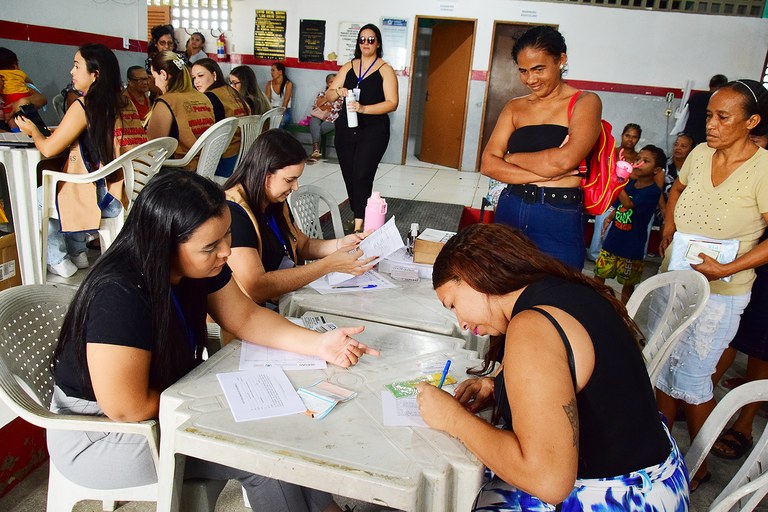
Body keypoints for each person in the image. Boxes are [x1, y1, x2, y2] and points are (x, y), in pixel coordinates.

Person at [47, 168, 378, 511]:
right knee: (263, 458)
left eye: (227, 236)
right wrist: (217, 404)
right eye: (210, 247)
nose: (225, 252)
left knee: (284, 434)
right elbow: (126, 407)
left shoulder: (198, 267)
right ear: (164, 242)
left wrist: (320, 344)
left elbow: (246, 316)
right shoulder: (120, 294)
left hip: (162, 405)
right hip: (102, 434)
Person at [415, 223, 688, 510]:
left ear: (472, 274)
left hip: (619, 497)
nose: (462, 324)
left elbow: (548, 482)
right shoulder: (561, 289)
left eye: (453, 304)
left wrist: (453, 419)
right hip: (660, 479)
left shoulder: (532, 326)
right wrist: (502, 386)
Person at [656, 78, 768, 492]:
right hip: (676, 279)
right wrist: (669, 223)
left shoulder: (763, 169)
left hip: (722, 293)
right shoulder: (701, 154)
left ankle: (697, 464)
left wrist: (730, 268)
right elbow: (679, 187)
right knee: (663, 365)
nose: (711, 125)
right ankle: (662, 447)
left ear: (751, 121)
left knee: (694, 379)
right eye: (709, 116)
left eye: (723, 117)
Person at [16, 43, 147, 278]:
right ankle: (78, 253)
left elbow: (48, 149)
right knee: (73, 180)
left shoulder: (84, 106)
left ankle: (59, 259)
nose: (71, 72)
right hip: (129, 193)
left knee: (38, 197)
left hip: (103, 199)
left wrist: (33, 131)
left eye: (77, 66)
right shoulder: (125, 103)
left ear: (95, 74)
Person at [480, 26, 601, 270]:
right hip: (511, 206)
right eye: (523, 71)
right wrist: (547, 171)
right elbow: (488, 164)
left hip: (557, 214)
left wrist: (511, 158)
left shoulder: (585, 102)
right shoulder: (515, 107)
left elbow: (563, 162)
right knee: (505, 288)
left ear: (561, 60)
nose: (530, 79)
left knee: (557, 291)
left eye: (538, 69)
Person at [223, 129, 375, 308]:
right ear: (264, 174)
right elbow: (257, 287)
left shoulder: (272, 201)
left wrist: (341, 244)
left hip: (280, 300)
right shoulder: (234, 212)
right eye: (289, 180)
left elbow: (302, 245)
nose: (295, 187)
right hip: (251, 312)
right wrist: (328, 265)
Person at [708, 130, 768, 461]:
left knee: (761, 345)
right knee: (729, 335)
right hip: (744, 258)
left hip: (756, 261)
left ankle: (744, 424)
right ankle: (697, 400)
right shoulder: (756, 160)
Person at [325, 24, 399, 233]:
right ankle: (359, 213)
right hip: (346, 128)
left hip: (373, 130)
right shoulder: (349, 66)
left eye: (371, 39)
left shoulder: (385, 69)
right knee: (349, 174)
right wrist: (338, 91)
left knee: (362, 174)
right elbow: (328, 95)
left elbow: (392, 103)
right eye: (362, 39)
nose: (366, 43)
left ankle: (359, 223)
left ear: (378, 43)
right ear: (358, 43)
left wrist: (364, 108)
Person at [594, 145, 666, 303]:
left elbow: (628, 204)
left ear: (656, 169)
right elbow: (620, 205)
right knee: (599, 274)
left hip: (632, 247)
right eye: (638, 159)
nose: (639, 163)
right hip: (612, 241)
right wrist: (611, 216)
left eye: (645, 161)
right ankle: (595, 302)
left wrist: (617, 181)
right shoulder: (630, 184)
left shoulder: (653, 191)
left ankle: (624, 311)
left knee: (628, 283)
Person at [147, 51, 215, 170]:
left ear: (163, 74)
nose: (155, 83)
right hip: (205, 167)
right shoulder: (203, 97)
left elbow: (152, 150)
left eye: (154, 77)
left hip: (179, 172)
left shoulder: (166, 102)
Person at [587, 123, 643, 261]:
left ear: (638, 139)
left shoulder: (639, 159)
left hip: (626, 200)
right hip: (609, 198)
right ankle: (596, 258)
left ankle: (615, 259)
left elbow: (638, 179)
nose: (630, 140)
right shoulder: (612, 153)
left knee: (621, 232)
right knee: (601, 230)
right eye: (627, 136)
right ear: (622, 135)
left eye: (634, 137)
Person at [191, 58, 250, 177]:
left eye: (200, 75)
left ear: (214, 75)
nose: (196, 82)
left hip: (225, 158)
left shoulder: (210, 97)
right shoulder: (231, 90)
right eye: (193, 78)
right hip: (244, 153)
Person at [684, 74, 728, 145]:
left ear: (710, 85)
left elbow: (685, 112)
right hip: (706, 137)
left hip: (689, 135)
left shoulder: (696, 96)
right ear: (724, 88)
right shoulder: (720, 101)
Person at [308, 73, 342, 162]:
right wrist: (329, 96)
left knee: (317, 129)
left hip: (333, 119)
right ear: (327, 83)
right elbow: (317, 105)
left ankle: (315, 150)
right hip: (319, 116)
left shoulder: (341, 95)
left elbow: (336, 109)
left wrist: (325, 105)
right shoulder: (322, 93)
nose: (334, 84)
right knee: (313, 121)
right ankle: (316, 149)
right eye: (331, 82)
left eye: (335, 82)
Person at [145, 24, 182, 100]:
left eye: (170, 43)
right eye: (162, 43)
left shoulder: (180, 59)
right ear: (155, 43)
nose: (166, 47)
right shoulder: (150, 61)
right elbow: (150, 84)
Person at [0, 47, 33, 128]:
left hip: (9, 98)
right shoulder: (20, 73)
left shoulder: (1, 74)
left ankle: (15, 130)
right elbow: (31, 83)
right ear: (15, 64)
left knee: (9, 115)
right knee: (27, 116)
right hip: (24, 95)